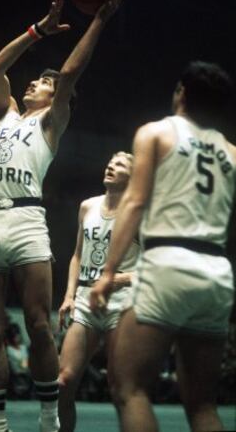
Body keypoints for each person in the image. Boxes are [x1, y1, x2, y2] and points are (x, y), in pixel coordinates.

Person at [0, 0, 122, 432]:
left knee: (38, 324)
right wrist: (38, 30)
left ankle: (49, 414)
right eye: (35, 80)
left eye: (44, 82)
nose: (33, 82)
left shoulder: (51, 122)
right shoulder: (4, 114)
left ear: (57, 96)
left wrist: (99, 20)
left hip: (25, 220)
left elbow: (72, 72)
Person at [90, 61, 236, 432]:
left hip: (168, 263)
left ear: (181, 93)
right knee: (203, 405)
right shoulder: (233, 153)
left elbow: (135, 203)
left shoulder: (157, 133)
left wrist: (107, 273)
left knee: (129, 388)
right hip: (217, 272)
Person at [57, 152, 140, 432]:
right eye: (109, 162)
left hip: (122, 305)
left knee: (120, 389)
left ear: (133, 175)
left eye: (119, 164)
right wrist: (69, 296)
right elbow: (77, 256)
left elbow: (156, 266)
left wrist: (122, 278)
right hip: (86, 302)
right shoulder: (87, 207)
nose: (110, 165)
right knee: (63, 381)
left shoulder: (140, 214)